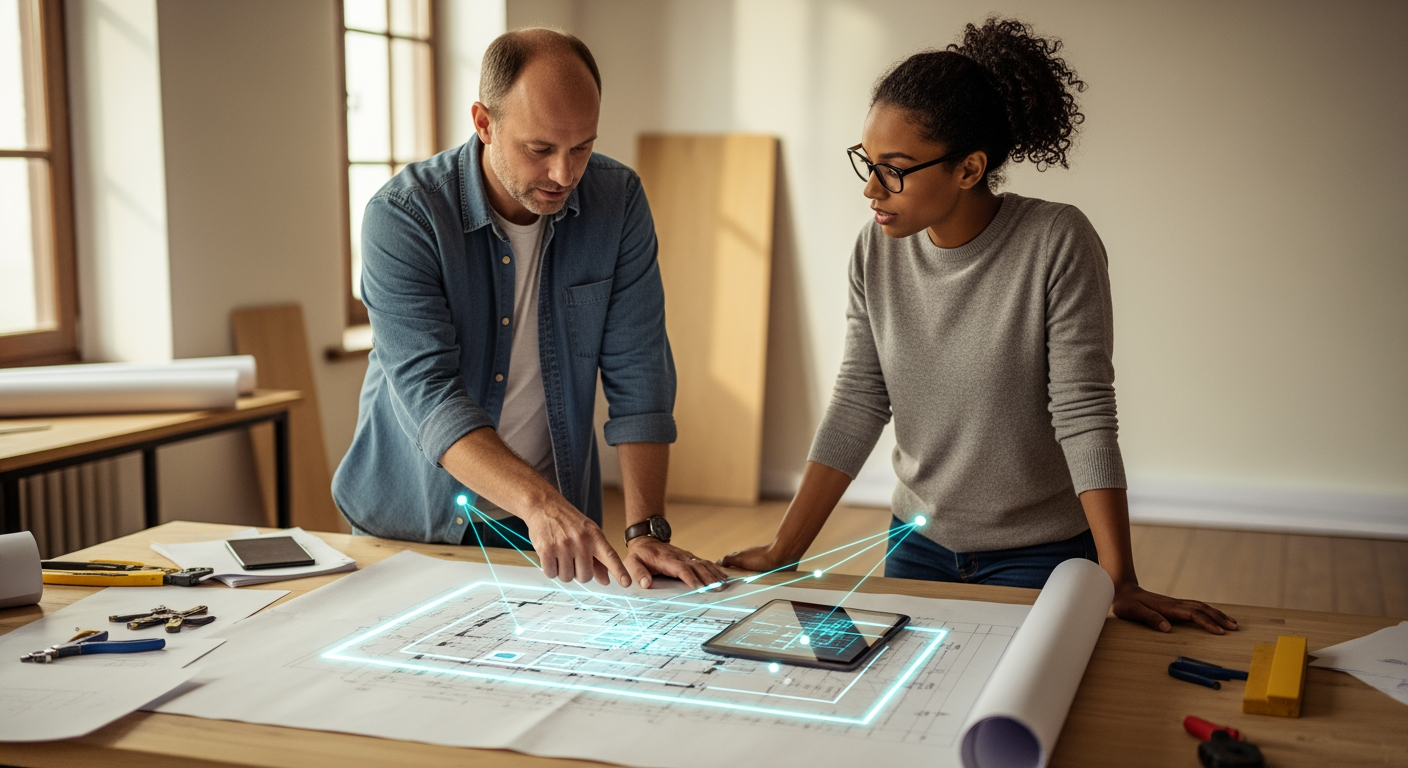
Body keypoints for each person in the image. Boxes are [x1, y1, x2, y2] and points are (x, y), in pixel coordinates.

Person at [721, 18, 1237, 634]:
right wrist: (786, 550)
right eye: (868, 161)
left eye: (895, 168)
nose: (870, 188)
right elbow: (860, 399)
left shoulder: (1056, 240)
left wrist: (1118, 577)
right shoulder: (875, 250)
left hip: (1039, 555)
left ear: (968, 169)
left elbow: (1084, 410)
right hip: (916, 544)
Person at [333, 29, 727, 592]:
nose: (565, 175)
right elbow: (432, 398)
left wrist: (645, 529)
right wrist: (541, 503)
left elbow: (639, 372)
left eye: (583, 147)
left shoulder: (617, 202)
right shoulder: (404, 217)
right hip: (408, 526)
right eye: (540, 149)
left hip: (553, 532)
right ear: (484, 123)